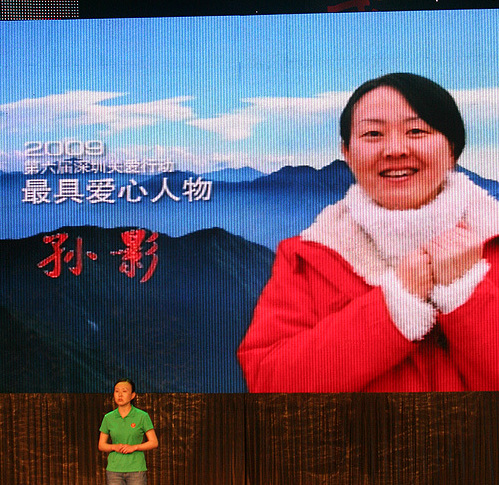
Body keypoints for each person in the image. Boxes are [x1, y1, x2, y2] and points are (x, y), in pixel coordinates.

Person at [237, 73, 499, 392]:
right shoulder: (308, 256)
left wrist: (464, 292)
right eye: (373, 133)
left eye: (416, 131)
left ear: (452, 148)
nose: (395, 149)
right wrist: (395, 304)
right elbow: (269, 380)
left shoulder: (493, 241)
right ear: (347, 153)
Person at [99, 378, 158, 484]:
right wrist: (114, 447)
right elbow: (101, 445)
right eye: (117, 391)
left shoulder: (142, 416)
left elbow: (154, 442)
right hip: (114, 469)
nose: (120, 395)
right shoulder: (108, 418)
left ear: (132, 395)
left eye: (124, 391)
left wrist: (134, 447)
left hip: (136, 469)